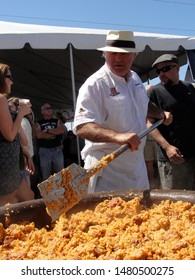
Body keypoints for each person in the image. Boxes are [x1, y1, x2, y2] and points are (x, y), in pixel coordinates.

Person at [73, 30, 172, 193]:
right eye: (113, 53)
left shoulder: (134, 78)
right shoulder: (95, 84)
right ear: (104, 54)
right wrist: (118, 137)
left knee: (142, 215)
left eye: (124, 54)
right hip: (108, 171)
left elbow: (144, 104)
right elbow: (81, 126)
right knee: (110, 217)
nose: (118, 58)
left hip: (136, 168)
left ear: (134, 56)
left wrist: (161, 113)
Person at [147, 54, 195, 190]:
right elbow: (148, 124)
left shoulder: (189, 88)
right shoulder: (154, 93)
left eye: (166, 68)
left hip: (193, 155)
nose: (162, 74)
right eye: (159, 71)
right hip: (172, 159)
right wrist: (167, 147)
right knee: (175, 204)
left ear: (177, 68)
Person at [0, 64, 34, 206]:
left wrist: (24, 152)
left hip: (11, 165)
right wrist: (21, 113)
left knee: (29, 198)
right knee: (7, 209)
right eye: (9, 77)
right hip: (4, 167)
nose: (12, 81)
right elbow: (9, 135)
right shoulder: (0, 99)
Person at [35, 103, 65, 181]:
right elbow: (39, 135)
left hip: (57, 149)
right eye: (47, 108)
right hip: (44, 150)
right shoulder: (38, 123)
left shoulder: (57, 121)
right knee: (46, 175)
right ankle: (48, 192)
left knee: (61, 173)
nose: (50, 109)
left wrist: (47, 131)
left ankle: (62, 191)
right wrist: (53, 133)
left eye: (50, 108)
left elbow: (61, 130)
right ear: (42, 111)